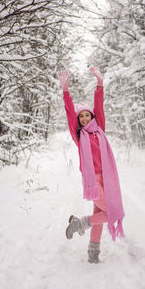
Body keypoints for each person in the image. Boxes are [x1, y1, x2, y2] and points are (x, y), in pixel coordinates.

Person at [57, 67, 125, 263]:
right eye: (81, 117)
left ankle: (93, 254)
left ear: (92, 116)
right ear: (79, 120)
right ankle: (80, 223)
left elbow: (99, 105)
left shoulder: (99, 130)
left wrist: (100, 84)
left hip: (108, 178)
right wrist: (65, 91)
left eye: (87, 115)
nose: (85, 118)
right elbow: (70, 113)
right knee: (113, 212)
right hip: (93, 180)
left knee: (100, 215)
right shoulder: (80, 136)